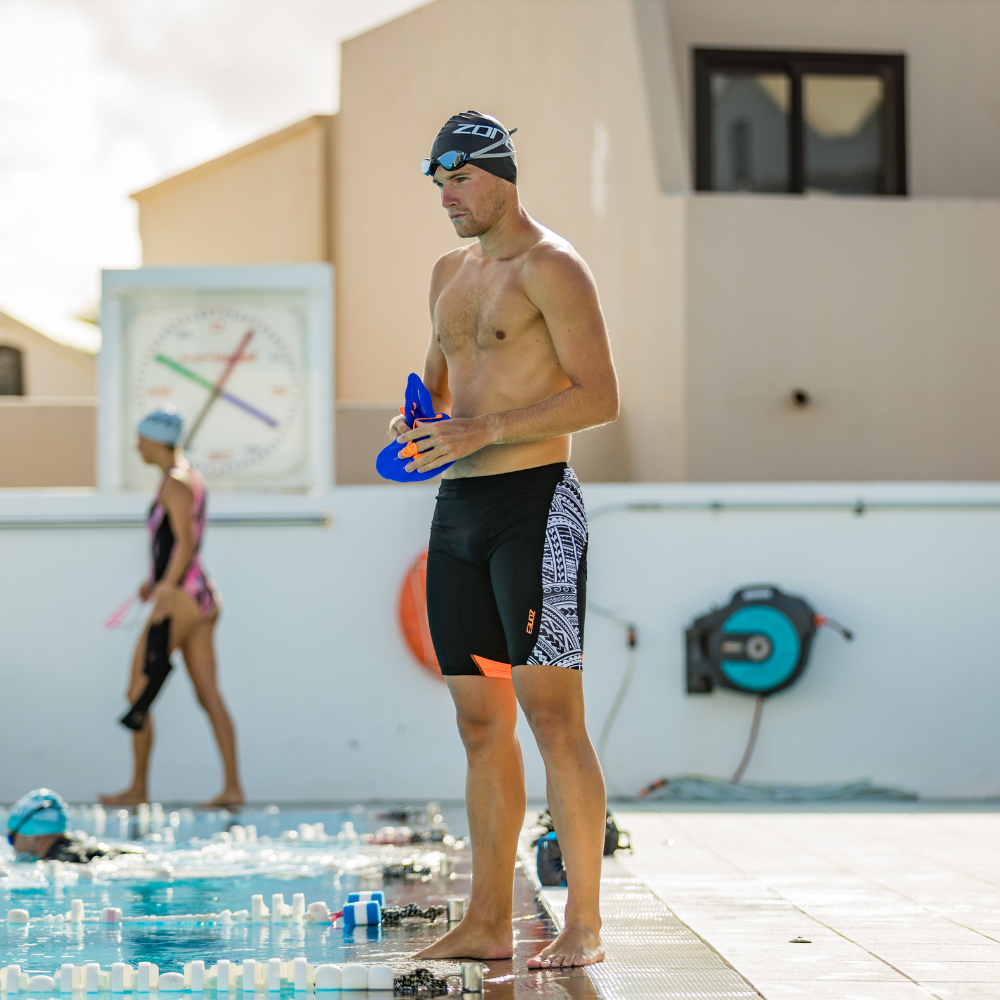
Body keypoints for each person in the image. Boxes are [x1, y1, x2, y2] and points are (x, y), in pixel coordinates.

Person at [395, 112, 618, 968]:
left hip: (535, 511)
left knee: (553, 719)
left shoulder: (553, 268)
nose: (446, 197)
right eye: (438, 182)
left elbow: (600, 396)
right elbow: (439, 388)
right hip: (458, 517)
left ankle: (584, 924)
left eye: (458, 179)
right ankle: (488, 919)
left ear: (499, 174)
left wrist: (482, 429)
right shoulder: (449, 274)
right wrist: (418, 425)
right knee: (479, 725)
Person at [100, 408, 244, 809]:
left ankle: (138, 789)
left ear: (157, 440)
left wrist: (165, 586)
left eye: (141, 438)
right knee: (209, 693)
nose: (137, 446)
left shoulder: (175, 482)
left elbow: (182, 540)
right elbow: (180, 541)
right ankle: (233, 787)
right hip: (199, 594)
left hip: (181, 596)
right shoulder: (186, 477)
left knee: (137, 690)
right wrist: (155, 579)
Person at [7, 788, 113, 863]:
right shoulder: (92, 852)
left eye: (11, 838)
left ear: (32, 837)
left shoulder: (59, 863)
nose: (14, 847)